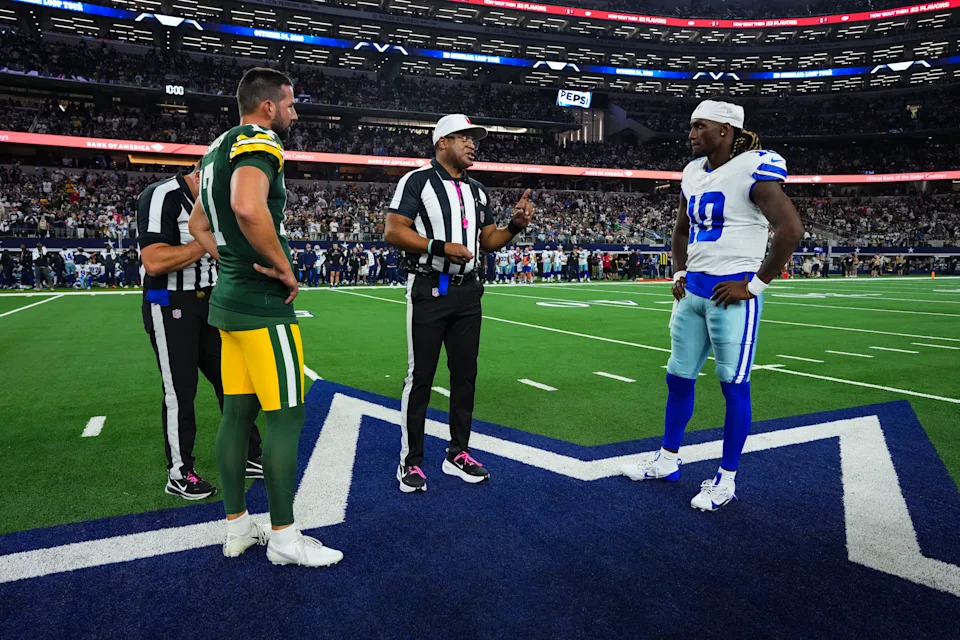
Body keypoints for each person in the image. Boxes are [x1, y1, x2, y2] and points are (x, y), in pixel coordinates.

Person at [188, 67, 342, 566]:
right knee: (286, 418)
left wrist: (225, 258)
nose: (295, 114)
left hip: (228, 302)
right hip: (260, 304)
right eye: (291, 105)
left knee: (236, 415)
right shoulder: (260, 139)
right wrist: (284, 269)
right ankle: (284, 537)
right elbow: (249, 209)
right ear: (268, 106)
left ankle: (236, 527)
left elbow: (197, 222)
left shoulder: (215, 149)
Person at [620, 97, 804, 511]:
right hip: (694, 293)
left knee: (733, 386)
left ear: (725, 131)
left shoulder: (754, 167)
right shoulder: (692, 173)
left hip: (731, 294)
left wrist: (755, 285)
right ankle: (667, 460)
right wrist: (679, 272)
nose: (690, 134)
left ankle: (726, 478)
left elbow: (790, 229)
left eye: (699, 126)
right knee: (678, 377)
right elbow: (681, 231)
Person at [385, 113, 535, 493]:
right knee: (420, 377)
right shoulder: (416, 181)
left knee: (465, 375)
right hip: (430, 289)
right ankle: (412, 460)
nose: (473, 144)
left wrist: (515, 226)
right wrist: (439, 247)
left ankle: (458, 452)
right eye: (464, 137)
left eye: (474, 138)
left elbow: (487, 241)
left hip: (469, 291)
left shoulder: (479, 190)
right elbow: (393, 230)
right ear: (442, 143)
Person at [138, 163, 263, 500]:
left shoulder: (217, 201)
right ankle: (179, 473)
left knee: (236, 380)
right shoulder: (160, 195)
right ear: (200, 175)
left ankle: (248, 453)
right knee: (180, 390)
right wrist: (209, 242)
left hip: (209, 299)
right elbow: (154, 261)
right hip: (166, 300)